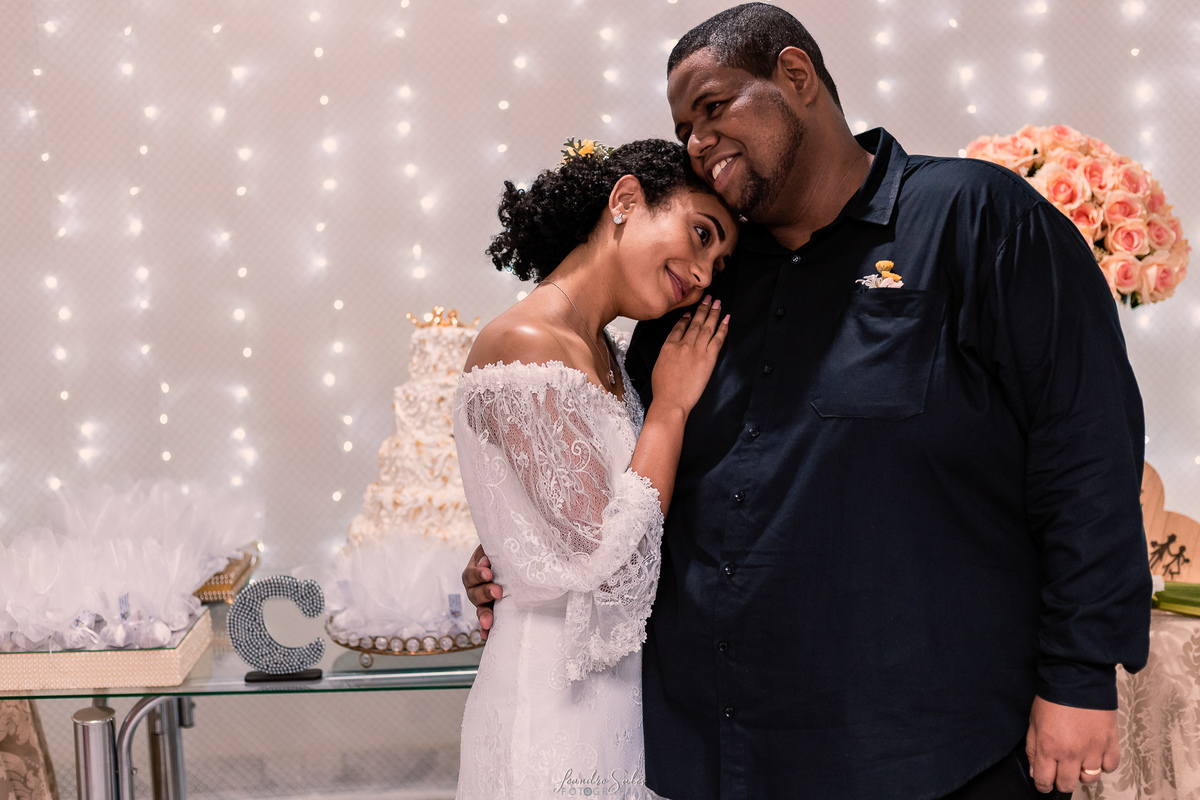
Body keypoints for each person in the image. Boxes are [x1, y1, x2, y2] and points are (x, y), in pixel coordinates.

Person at [465, 5, 1152, 799]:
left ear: (797, 77)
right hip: (710, 753)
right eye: (685, 126)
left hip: (934, 750)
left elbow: (1086, 449)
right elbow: (622, 478)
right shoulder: (695, 290)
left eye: (714, 106)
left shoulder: (975, 218)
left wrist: (1078, 672)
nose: (697, 141)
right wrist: (525, 542)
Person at [453, 138, 737, 799]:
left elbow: (573, 518)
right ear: (626, 200)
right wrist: (669, 409)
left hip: (612, 699)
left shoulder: (607, 354)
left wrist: (505, 549)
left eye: (718, 262)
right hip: (550, 705)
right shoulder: (524, 343)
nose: (702, 273)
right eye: (700, 234)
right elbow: (611, 570)